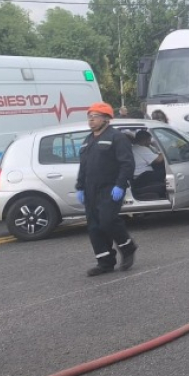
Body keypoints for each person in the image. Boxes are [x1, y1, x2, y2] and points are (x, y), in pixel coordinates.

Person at [75, 102, 138, 276]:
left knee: (107, 220)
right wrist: (80, 187)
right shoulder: (88, 140)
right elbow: (84, 166)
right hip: (90, 190)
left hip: (110, 188)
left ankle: (128, 247)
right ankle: (105, 262)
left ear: (106, 118)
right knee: (94, 226)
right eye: (89, 117)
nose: (91, 120)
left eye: (94, 116)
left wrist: (120, 185)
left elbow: (127, 164)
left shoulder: (117, 137)